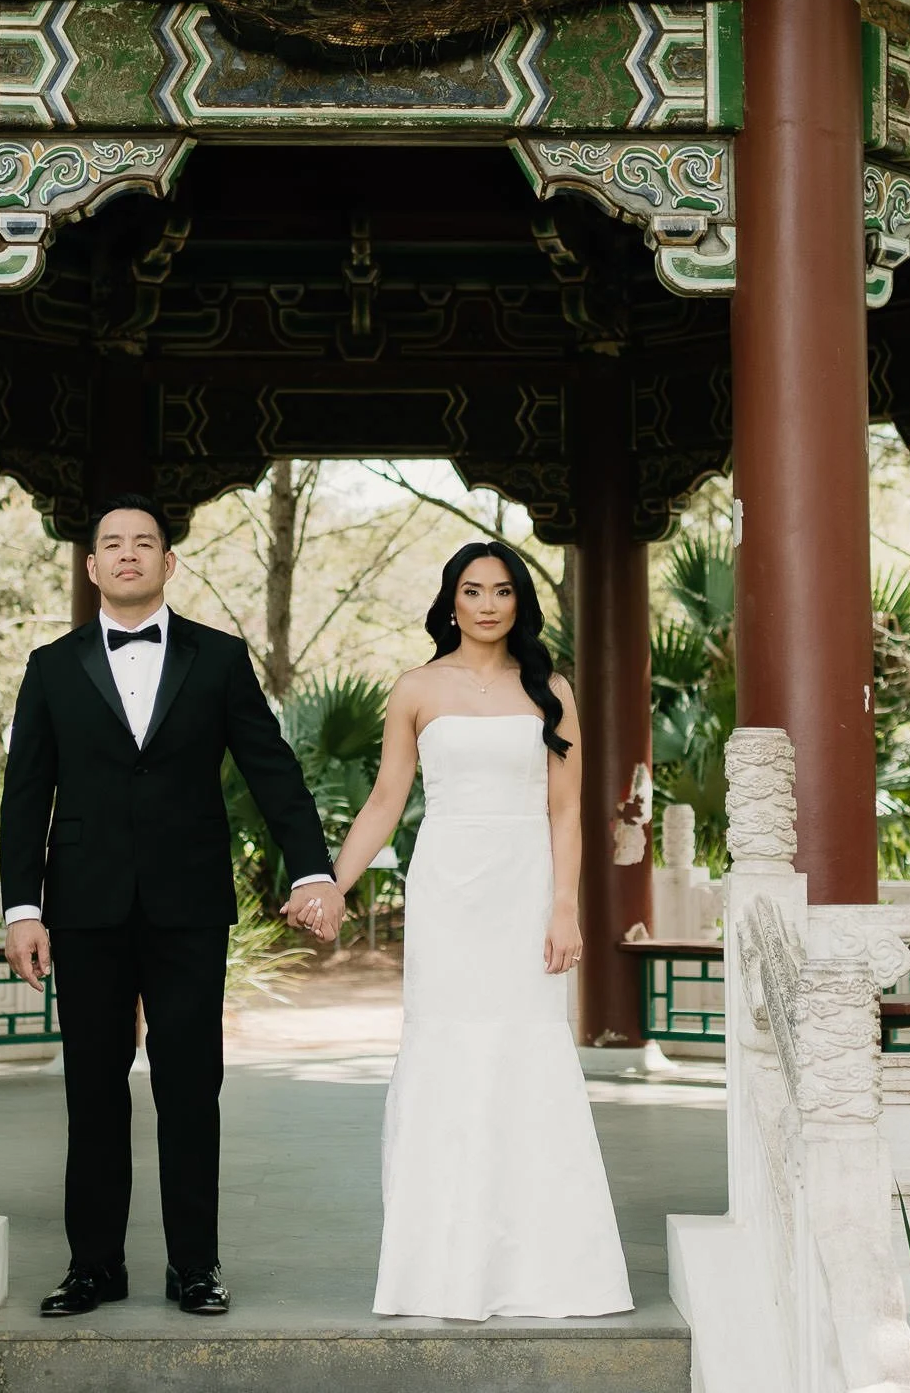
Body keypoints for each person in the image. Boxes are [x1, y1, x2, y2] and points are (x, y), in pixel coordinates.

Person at [0, 497, 345, 1320]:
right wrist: (21, 906)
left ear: (168, 562)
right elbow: (25, 794)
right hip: (83, 906)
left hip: (189, 903)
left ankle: (195, 1265)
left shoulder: (218, 658)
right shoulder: (50, 665)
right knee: (93, 1087)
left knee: (192, 1086)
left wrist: (312, 869)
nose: (127, 555)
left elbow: (272, 768)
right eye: (111, 543)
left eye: (143, 543)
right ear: (91, 566)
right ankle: (94, 1265)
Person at [306, 540, 633, 1320]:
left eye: (502, 590)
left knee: (526, 1051)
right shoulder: (416, 687)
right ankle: (441, 1266)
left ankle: (544, 1265)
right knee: (447, 1050)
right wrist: (331, 882)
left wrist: (564, 906)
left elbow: (565, 810)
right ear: (450, 600)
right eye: (472, 589)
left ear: (520, 602)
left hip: (524, 888)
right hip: (449, 886)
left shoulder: (549, 689)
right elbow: (387, 797)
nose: (487, 604)